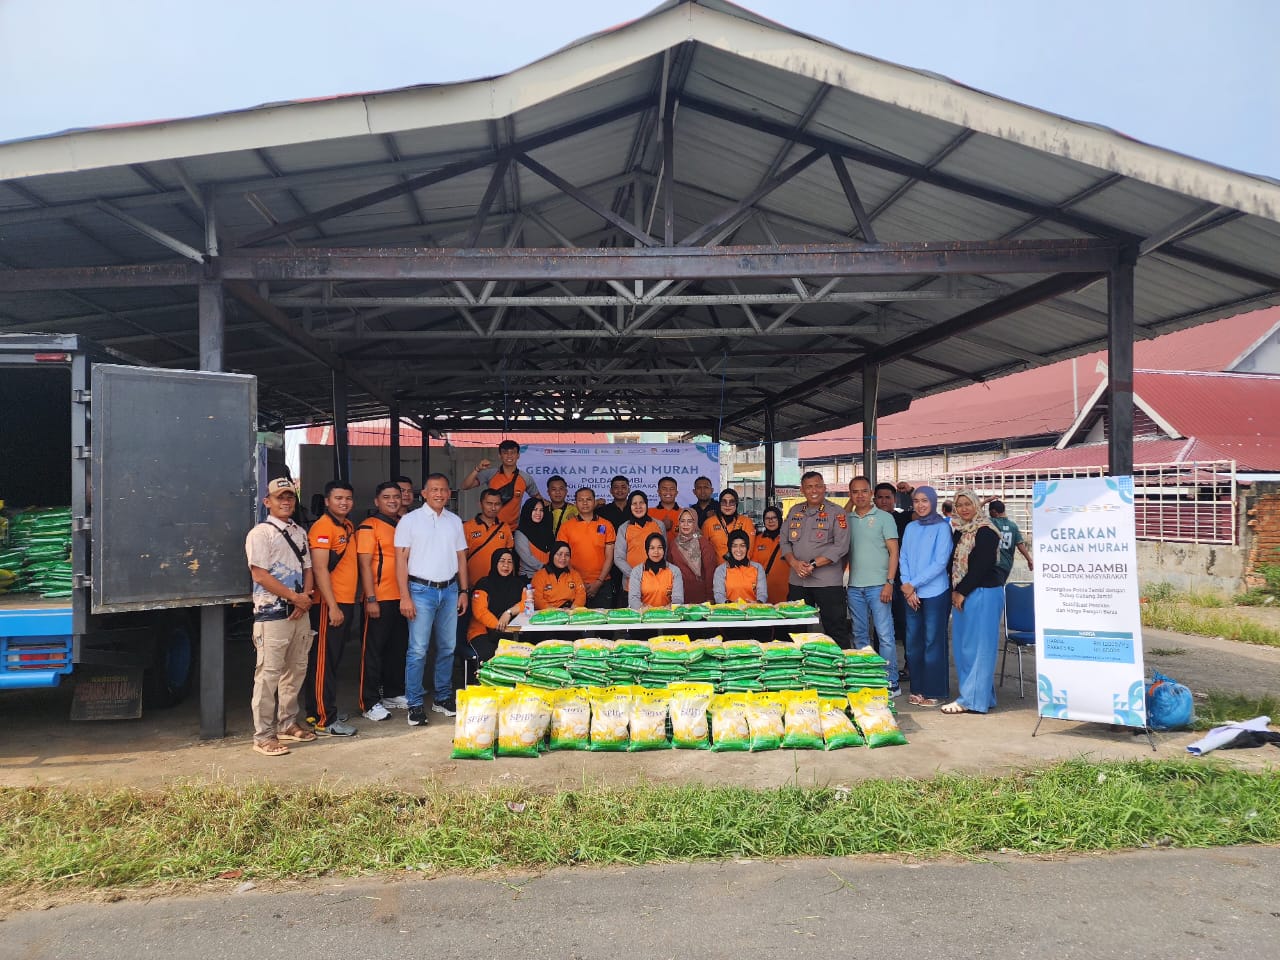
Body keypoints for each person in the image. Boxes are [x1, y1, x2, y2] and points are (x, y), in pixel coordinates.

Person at [244, 477, 316, 757]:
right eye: (279, 497)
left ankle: (287, 723)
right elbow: (260, 574)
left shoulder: (299, 532)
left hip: (299, 612)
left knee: (295, 670)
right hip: (271, 615)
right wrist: (294, 598)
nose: (285, 502)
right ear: (267, 502)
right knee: (268, 676)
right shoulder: (261, 534)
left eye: (289, 497)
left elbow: (308, 568)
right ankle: (263, 735)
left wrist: (305, 599)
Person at [395, 473, 468, 727]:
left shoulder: (454, 521)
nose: (439, 494)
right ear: (424, 494)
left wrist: (464, 591)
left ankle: (443, 697)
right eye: (434, 490)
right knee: (418, 650)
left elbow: (461, 558)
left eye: (444, 490)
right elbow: (400, 561)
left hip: (449, 590)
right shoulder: (410, 521)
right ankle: (414, 703)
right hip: (420, 591)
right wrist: (405, 596)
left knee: (447, 647)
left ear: (449, 494)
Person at [304, 480, 359, 736]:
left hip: (345, 602)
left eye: (348, 498)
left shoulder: (347, 526)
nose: (344, 502)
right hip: (329, 604)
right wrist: (333, 606)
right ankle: (324, 719)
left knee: (332, 660)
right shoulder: (323, 528)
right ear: (327, 501)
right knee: (323, 662)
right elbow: (319, 569)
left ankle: (318, 710)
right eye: (338, 498)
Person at [943, 488, 1005, 715]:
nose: (964, 509)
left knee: (979, 648)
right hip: (965, 593)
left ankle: (970, 700)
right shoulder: (960, 531)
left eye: (968, 504)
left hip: (983, 593)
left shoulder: (986, 531)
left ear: (977, 505)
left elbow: (982, 565)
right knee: (965, 648)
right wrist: (956, 590)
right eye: (959, 505)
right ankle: (983, 696)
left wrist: (961, 591)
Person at [780, 471, 853, 648]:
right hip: (798, 581)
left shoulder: (837, 512)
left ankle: (840, 664)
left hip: (827, 583)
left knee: (835, 628)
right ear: (802, 490)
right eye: (809, 487)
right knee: (795, 628)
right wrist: (794, 563)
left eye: (818, 486)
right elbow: (784, 541)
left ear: (824, 488)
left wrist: (813, 564)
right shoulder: (795, 511)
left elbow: (841, 546)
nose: (814, 490)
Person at [845, 476, 901, 696]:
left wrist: (889, 582)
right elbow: (839, 519)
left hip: (879, 586)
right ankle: (866, 680)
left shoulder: (885, 518)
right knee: (859, 635)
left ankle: (890, 682)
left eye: (864, 491)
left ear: (871, 493)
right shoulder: (847, 519)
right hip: (854, 587)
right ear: (850, 495)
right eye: (855, 492)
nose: (860, 495)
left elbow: (894, 552)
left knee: (885, 635)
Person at [356, 481, 407, 722]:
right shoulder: (369, 526)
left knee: (397, 649)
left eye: (396, 496)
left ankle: (393, 693)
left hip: (401, 598)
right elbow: (365, 565)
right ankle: (369, 702)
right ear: (377, 501)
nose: (392, 501)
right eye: (386, 497)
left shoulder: (403, 525)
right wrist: (371, 598)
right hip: (379, 598)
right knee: (373, 652)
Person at [900, 485, 954, 708]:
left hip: (935, 593)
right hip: (911, 593)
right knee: (913, 642)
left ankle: (935, 691)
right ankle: (917, 688)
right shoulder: (911, 527)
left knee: (933, 641)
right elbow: (903, 557)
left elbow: (940, 563)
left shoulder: (942, 527)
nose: (920, 505)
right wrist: (907, 586)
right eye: (916, 501)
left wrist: (913, 584)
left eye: (925, 500)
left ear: (933, 501)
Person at [462, 439, 541, 531]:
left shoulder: (525, 478)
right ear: (500, 456)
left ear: (518, 455)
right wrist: (477, 469)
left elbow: (538, 499)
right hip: (491, 528)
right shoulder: (491, 474)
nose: (509, 456)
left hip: (514, 529)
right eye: (505, 453)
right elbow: (465, 486)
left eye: (513, 453)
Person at [875, 481, 911, 679]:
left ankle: (909, 666)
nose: (884, 501)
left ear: (894, 499)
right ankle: (879, 666)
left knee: (905, 624)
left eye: (888, 497)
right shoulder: (868, 519)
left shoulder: (902, 518)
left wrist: (910, 492)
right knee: (879, 626)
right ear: (874, 500)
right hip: (877, 580)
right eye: (880, 497)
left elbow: (925, 511)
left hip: (901, 579)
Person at [559, 487, 617, 608]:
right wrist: (578, 582)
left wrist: (598, 582)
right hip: (573, 583)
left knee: (602, 618)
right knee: (575, 618)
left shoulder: (606, 525)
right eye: (581, 500)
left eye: (589, 499)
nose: (585, 503)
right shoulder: (566, 527)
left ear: (594, 502)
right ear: (575, 503)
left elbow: (610, 557)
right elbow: (562, 557)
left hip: (602, 583)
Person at [467, 548, 528, 662]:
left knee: (523, 654)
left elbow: (526, 603)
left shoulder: (518, 584)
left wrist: (508, 613)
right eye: (502, 561)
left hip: (511, 632)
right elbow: (480, 611)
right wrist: (499, 626)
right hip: (483, 632)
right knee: (494, 656)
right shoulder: (483, 584)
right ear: (495, 562)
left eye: (510, 562)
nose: (506, 565)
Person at [462, 488, 515, 590]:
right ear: (480, 504)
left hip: (499, 586)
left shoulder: (505, 528)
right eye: (489, 503)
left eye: (497, 504)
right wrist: (464, 586)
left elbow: (509, 559)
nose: (493, 508)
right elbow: (461, 559)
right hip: (473, 585)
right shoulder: (467, 527)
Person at [668, 506, 718, 604]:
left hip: (702, 596)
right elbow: (669, 572)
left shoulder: (703, 543)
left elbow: (710, 572)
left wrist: (710, 597)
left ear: (695, 523)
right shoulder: (673, 544)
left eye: (690, 521)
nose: (685, 525)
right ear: (679, 523)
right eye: (682, 521)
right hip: (679, 595)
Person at [615, 490, 665, 586]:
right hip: (631, 584)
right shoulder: (623, 528)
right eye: (634, 504)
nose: (638, 507)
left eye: (641, 503)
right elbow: (618, 558)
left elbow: (664, 553)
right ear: (629, 506)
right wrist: (636, 576)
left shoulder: (659, 525)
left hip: (656, 582)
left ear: (646, 504)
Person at [628, 531, 685, 609]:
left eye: (660, 547)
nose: (656, 552)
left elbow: (678, 599)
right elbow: (633, 599)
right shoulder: (637, 572)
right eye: (652, 548)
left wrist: (666, 609)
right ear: (647, 550)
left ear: (664, 549)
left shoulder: (675, 571)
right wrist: (645, 609)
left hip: (668, 614)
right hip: (644, 614)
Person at [714, 529, 767, 603]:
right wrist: (730, 604)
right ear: (729, 548)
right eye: (734, 546)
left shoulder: (758, 568)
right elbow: (718, 595)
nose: (738, 550)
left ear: (747, 547)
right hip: (729, 609)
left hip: (753, 609)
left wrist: (757, 603)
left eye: (742, 546)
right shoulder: (721, 570)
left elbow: (763, 594)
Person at [987, 499, 1033, 584]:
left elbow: (976, 514)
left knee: (993, 589)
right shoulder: (1013, 526)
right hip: (1006, 565)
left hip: (993, 564)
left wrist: (986, 500)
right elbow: (1020, 544)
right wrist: (1029, 559)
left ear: (993, 512)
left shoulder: (990, 522)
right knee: (1000, 586)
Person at [531, 540, 587, 609]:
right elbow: (537, 599)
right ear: (552, 555)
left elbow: (581, 595)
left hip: (570, 611)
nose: (563, 558)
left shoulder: (574, 574)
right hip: (548, 613)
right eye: (560, 554)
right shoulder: (540, 576)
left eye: (567, 555)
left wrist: (573, 609)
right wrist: (554, 612)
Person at [702, 488, 756, 560]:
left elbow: (749, 550)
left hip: (741, 566)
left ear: (736, 504)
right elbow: (704, 550)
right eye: (724, 502)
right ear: (719, 504)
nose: (727, 505)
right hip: (717, 567)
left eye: (731, 502)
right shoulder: (708, 523)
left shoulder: (746, 522)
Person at [751, 505, 790, 603]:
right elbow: (753, 566)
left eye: (774, 518)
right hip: (763, 591)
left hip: (787, 591)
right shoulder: (758, 540)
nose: (770, 521)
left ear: (780, 519)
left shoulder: (789, 539)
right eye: (767, 518)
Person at [514, 496, 554, 577]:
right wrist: (544, 567)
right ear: (528, 511)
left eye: (541, 510)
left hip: (548, 576)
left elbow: (553, 550)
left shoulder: (547, 530)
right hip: (529, 576)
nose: (538, 513)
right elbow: (527, 557)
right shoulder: (520, 532)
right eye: (535, 510)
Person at [545, 474, 578, 539]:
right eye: (554, 489)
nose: (558, 492)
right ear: (548, 492)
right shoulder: (542, 511)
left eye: (561, 489)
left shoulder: (575, 510)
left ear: (566, 491)